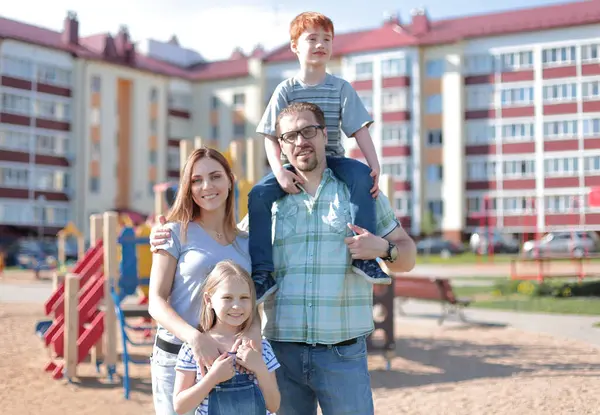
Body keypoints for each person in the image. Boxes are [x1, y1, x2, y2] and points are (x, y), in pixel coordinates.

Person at [263, 102, 416, 415]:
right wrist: (174, 230)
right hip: (281, 354)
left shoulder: (360, 191)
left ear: (324, 135)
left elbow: (408, 255)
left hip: (342, 354)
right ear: (281, 146)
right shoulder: (268, 201)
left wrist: (383, 249)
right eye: (289, 136)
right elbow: (229, 247)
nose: (300, 141)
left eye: (308, 131)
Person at [248, 11, 390, 289]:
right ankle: (263, 272)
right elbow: (269, 136)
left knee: (361, 176)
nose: (320, 44)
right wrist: (279, 173)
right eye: (311, 38)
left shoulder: (340, 88)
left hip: (333, 159)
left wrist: (375, 165)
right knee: (258, 194)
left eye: (326, 39)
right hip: (295, 164)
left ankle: (364, 257)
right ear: (295, 46)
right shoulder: (285, 90)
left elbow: (359, 128)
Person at [148, 147, 263, 415]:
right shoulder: (172, 234)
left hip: (229, 364)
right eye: (196, 180)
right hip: (176, 357)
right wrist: (195, 338)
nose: (206, 186)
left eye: (215, 176)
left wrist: (252, 335)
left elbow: (252, 305)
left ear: (230, 180)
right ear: (187, 188)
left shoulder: (246, 243)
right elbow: (155, 301)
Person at [173, 260, 280, 415]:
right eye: (227, 298)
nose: (236, 306)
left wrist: (260, 368)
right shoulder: (194, 350)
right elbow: (180, 406)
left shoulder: (261, 348)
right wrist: (212, 378)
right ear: (209, 300)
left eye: (244, 298)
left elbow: (274, 405)